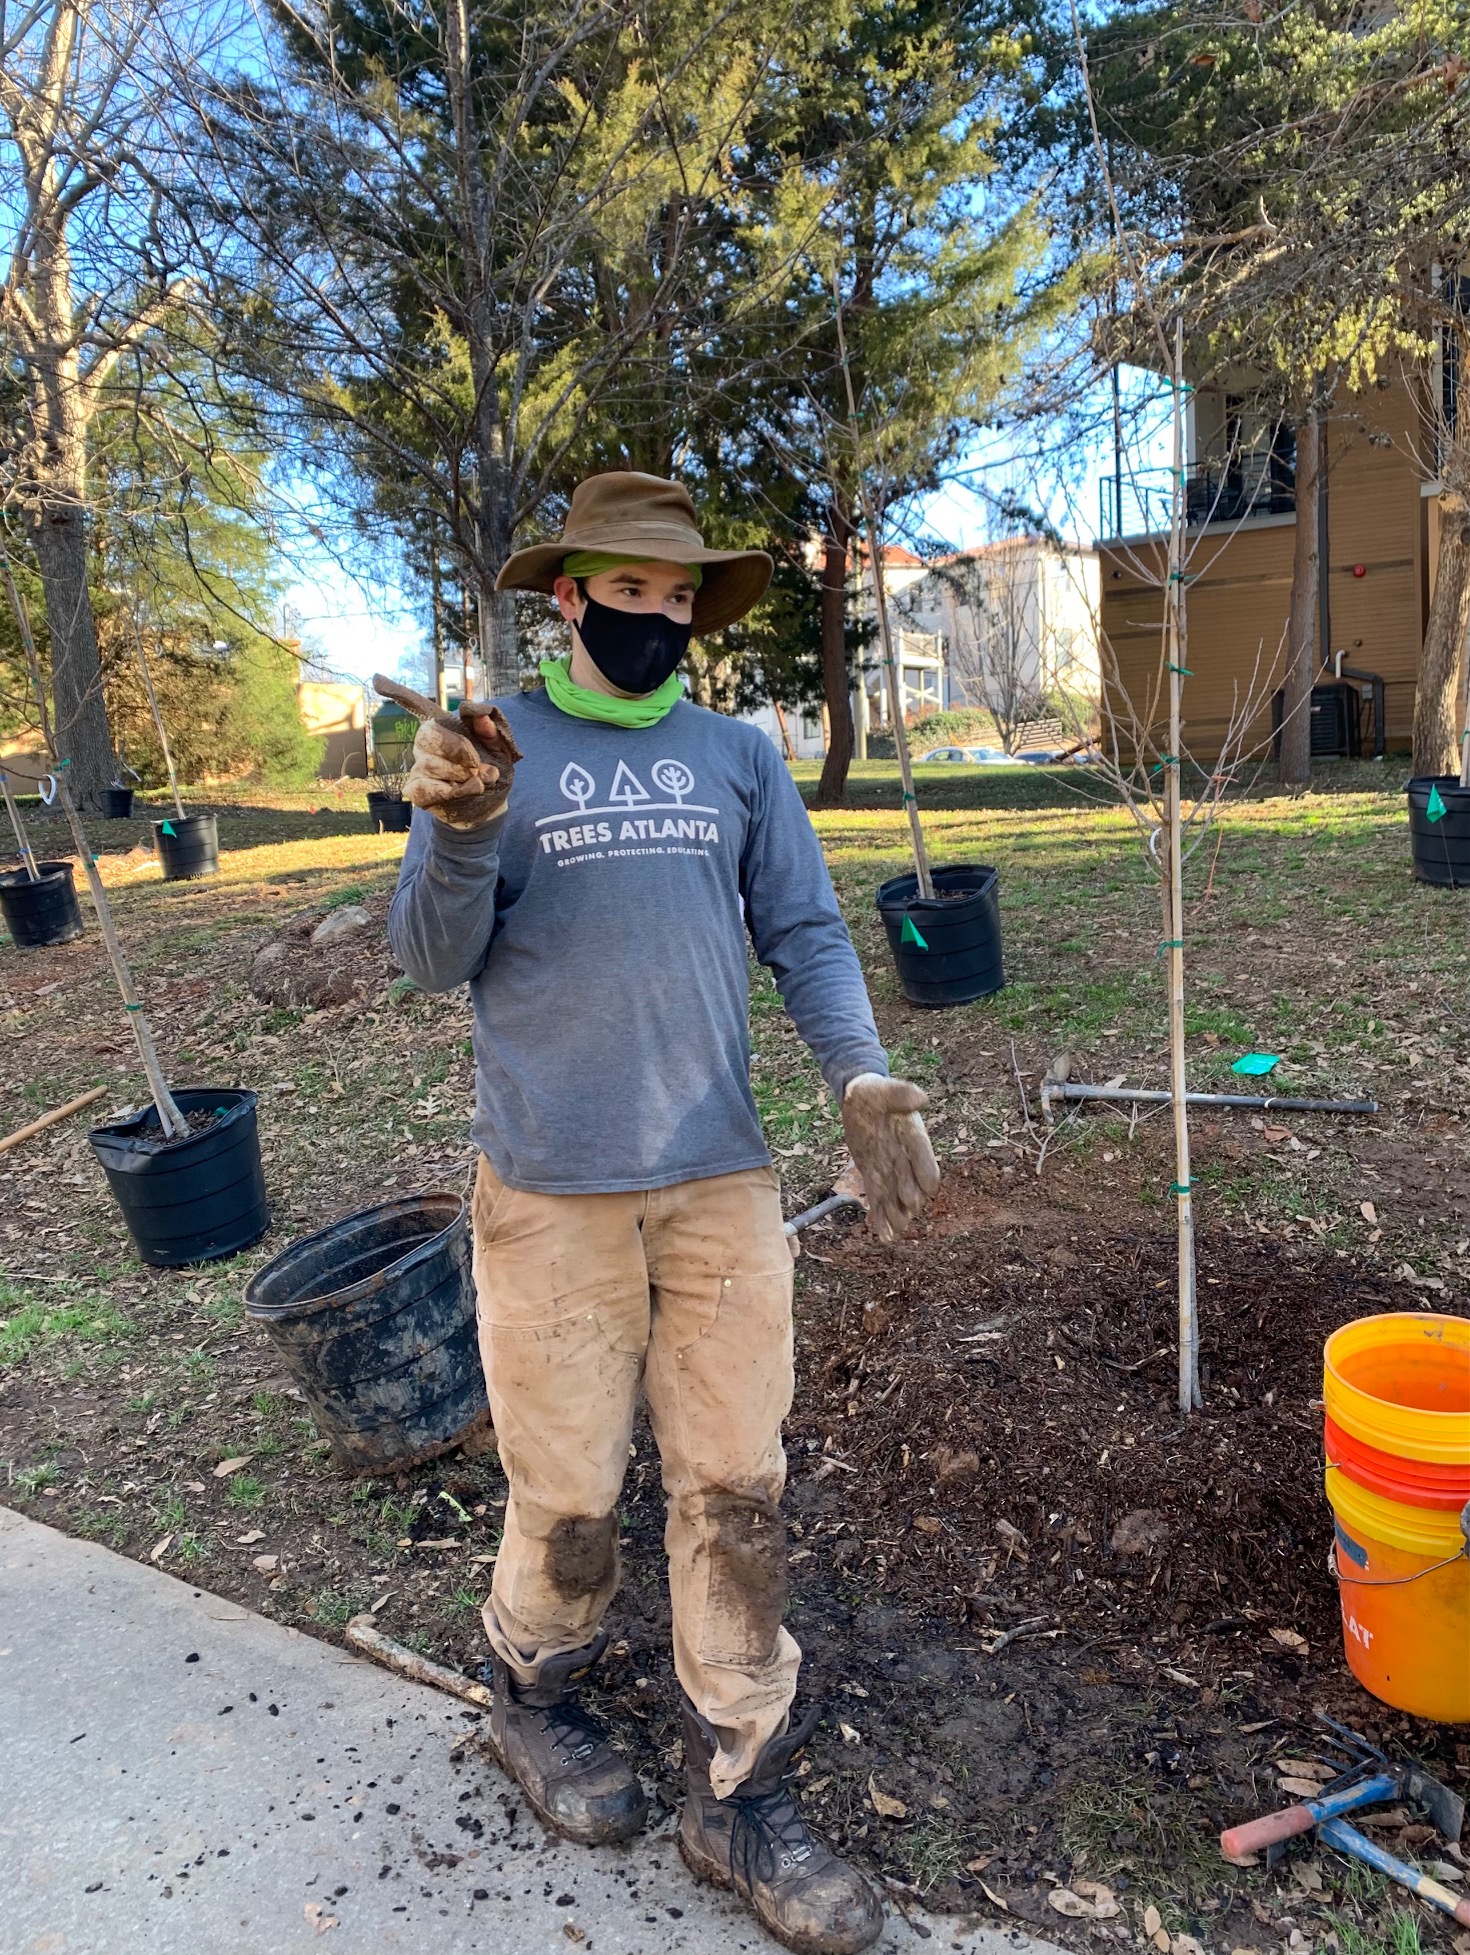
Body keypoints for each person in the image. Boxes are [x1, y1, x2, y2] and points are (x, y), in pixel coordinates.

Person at [388, 472, 938, 1955]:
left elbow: (806, 930)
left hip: (719, 1185)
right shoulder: (494, 748)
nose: (653, 617)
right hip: (550, 1191)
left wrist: (861, 1073)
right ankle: (533, 1694)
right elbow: (429, 964)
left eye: (675, 595)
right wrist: (455, 830)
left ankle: (739, 1785)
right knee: (566, 1487)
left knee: (732, 1484)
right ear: (564, 594)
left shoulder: (734, 757)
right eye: (624, 591)